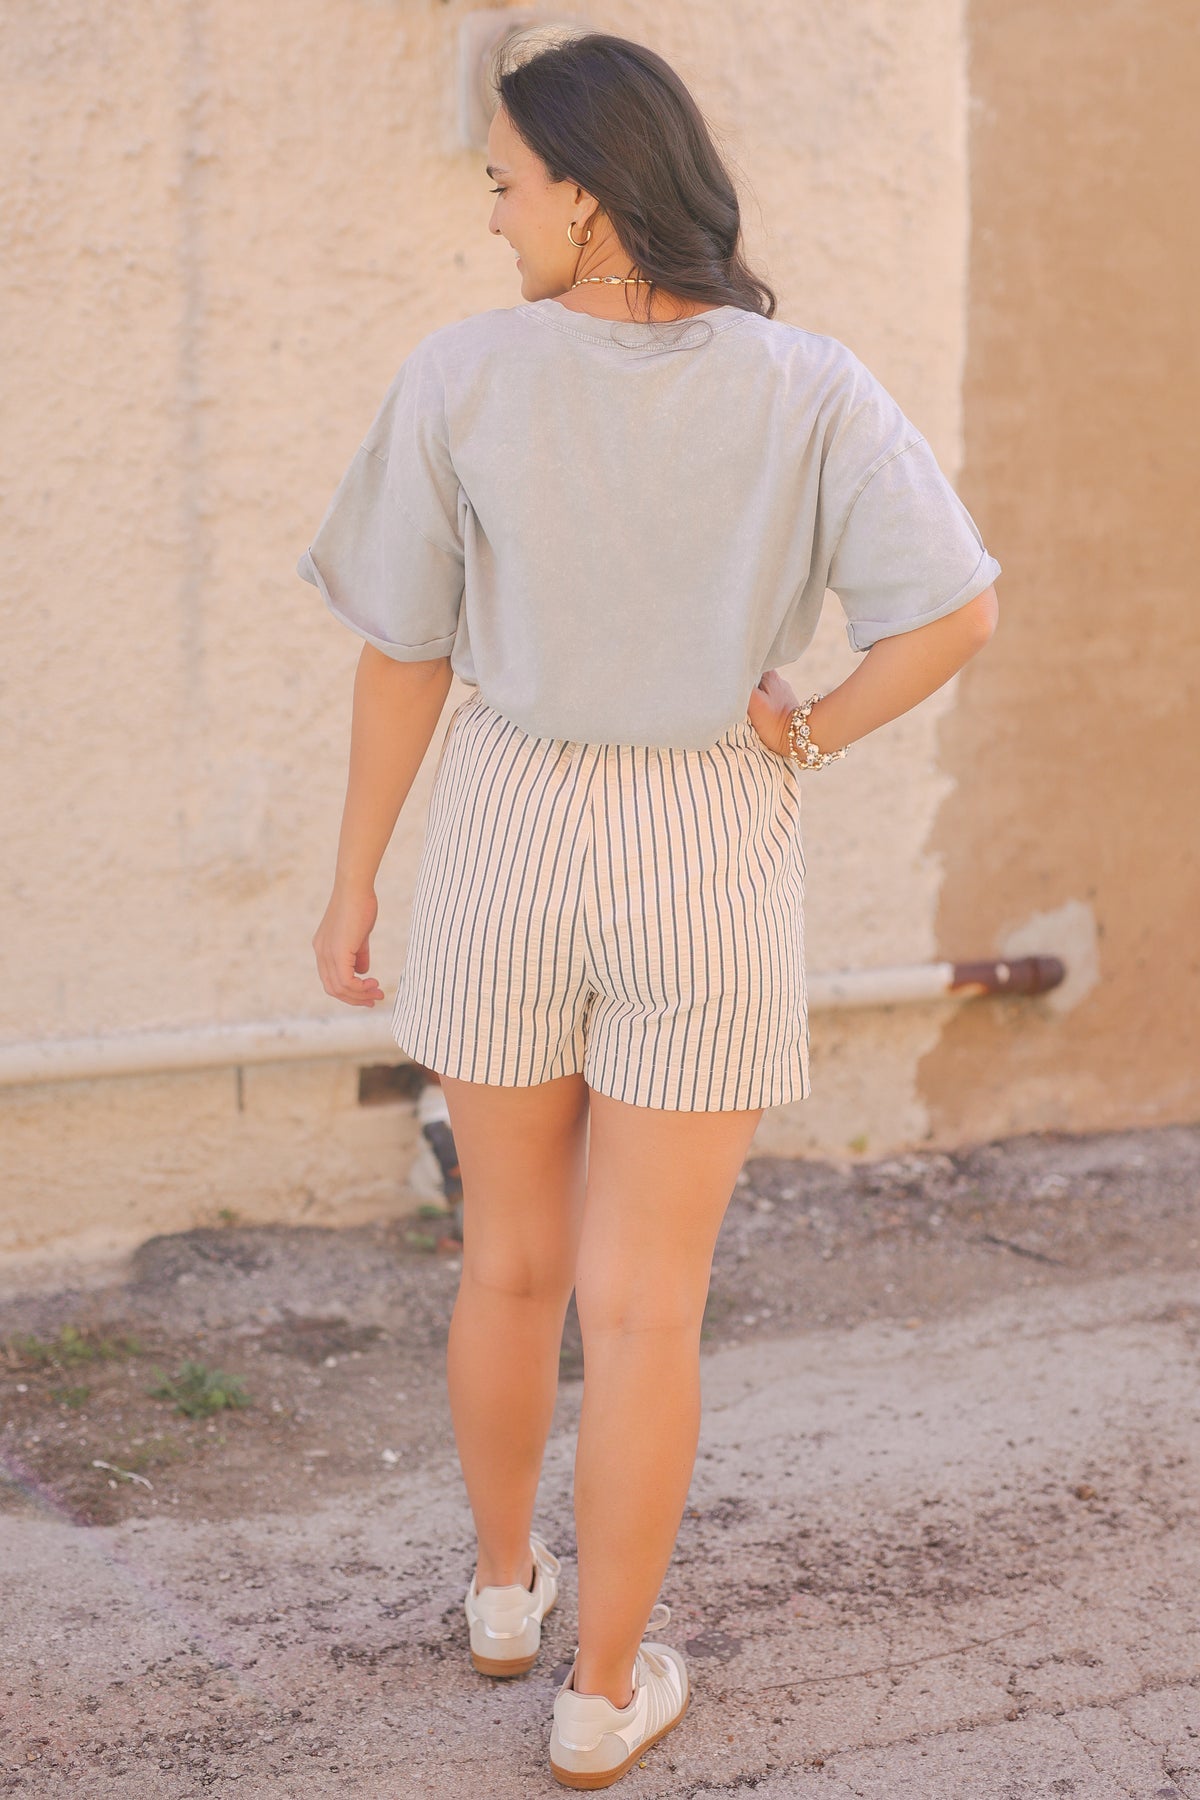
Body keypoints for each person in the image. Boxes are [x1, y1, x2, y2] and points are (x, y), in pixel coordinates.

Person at [297, 29, 1000, 1789]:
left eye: (507, 185)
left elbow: (408, 650)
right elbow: (957, 614)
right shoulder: (813, 384)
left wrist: (355, 874)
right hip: (708, 829)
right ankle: (604, 1698)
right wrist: (813, 730)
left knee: (509, 1263)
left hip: (514, 823)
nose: (492, 218)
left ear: (590, 199)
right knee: (645, 1306)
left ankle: (498, 1594)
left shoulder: (463, 377)